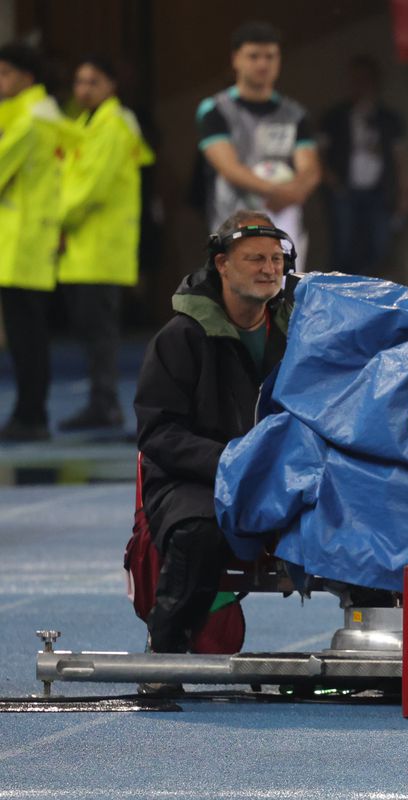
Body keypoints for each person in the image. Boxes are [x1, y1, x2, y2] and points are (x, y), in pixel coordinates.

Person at [134, 210, 291, 658]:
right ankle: (166, 648)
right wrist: (231, 460)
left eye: (276, 260)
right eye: (255, 259)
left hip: (283, 474)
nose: (268, 270)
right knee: (199, 529)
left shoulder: (297, 332)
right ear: (221, 264)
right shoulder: (180, 337)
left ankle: (385, 640)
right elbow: (158, 432)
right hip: (193, 480)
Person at [58, 55, 155, 431]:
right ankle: (102, 401)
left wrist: (57, 220)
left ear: (111, 85)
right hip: (85, 246)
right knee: (89, 330)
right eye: (80, 81)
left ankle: (107, 403)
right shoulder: (86, 122)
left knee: (100, 332)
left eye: (93, 81)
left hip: (101, 245)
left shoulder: (114, 124)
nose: (84, 89)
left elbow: (93, 185)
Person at [196, 21, 319, 270]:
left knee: (284, 296)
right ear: (236, 59)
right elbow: (228, 166)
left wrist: (295, 191)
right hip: (233, 223)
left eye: (270, 56)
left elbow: (310, 168)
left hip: (285, 223)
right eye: (254, 56)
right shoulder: (215, 111)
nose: (263, 64)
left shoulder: (295, 114)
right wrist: (274, 191)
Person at [0, 43, 74, 442]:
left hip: (21, 241)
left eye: (5, 74)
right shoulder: (45, 115)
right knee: (30, 332)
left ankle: (30, 415)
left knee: (26, 333)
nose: (0, 82)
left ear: (27, 77)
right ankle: (31, 412)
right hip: (31, 236)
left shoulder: (29, 121)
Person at [319, 55, 408, 275]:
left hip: (379, 193)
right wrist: (332, 182)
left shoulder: (388, 119)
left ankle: (369, 293)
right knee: (343, 248)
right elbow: (317, 154)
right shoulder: (335, 117)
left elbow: (400, 159)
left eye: (366, 80)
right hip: (344, 191)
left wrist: (404, 195)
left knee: (380, 248)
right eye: (356, 80)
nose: (361, 86)